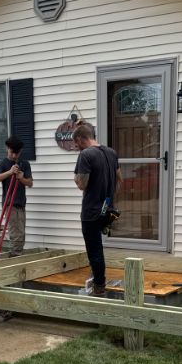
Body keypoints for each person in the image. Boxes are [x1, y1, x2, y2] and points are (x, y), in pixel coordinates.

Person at [73, 122, 121, 297]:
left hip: (91, 210)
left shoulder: (86, 154)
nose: (75, 147)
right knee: (98, 246)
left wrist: (76, 179)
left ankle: (99, 287)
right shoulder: (111, 152)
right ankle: (96, 275)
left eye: (76, 144)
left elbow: (81, 184)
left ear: (80, 139)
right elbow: (119, 179)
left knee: (94, 249)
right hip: (107, 209)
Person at [0, 135, 33, 256]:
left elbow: (30, 183)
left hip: (21, 203)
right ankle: (15, 258)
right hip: (10, 204)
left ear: (21, 151)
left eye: (17, 153)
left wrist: (21, 178)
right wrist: (10, 172)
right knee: (16, 234)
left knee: (21, 234)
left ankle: (16, 256)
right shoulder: (2, 163)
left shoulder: (25, 164)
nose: (14, 156)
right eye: (12, 152)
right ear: (7, 148)